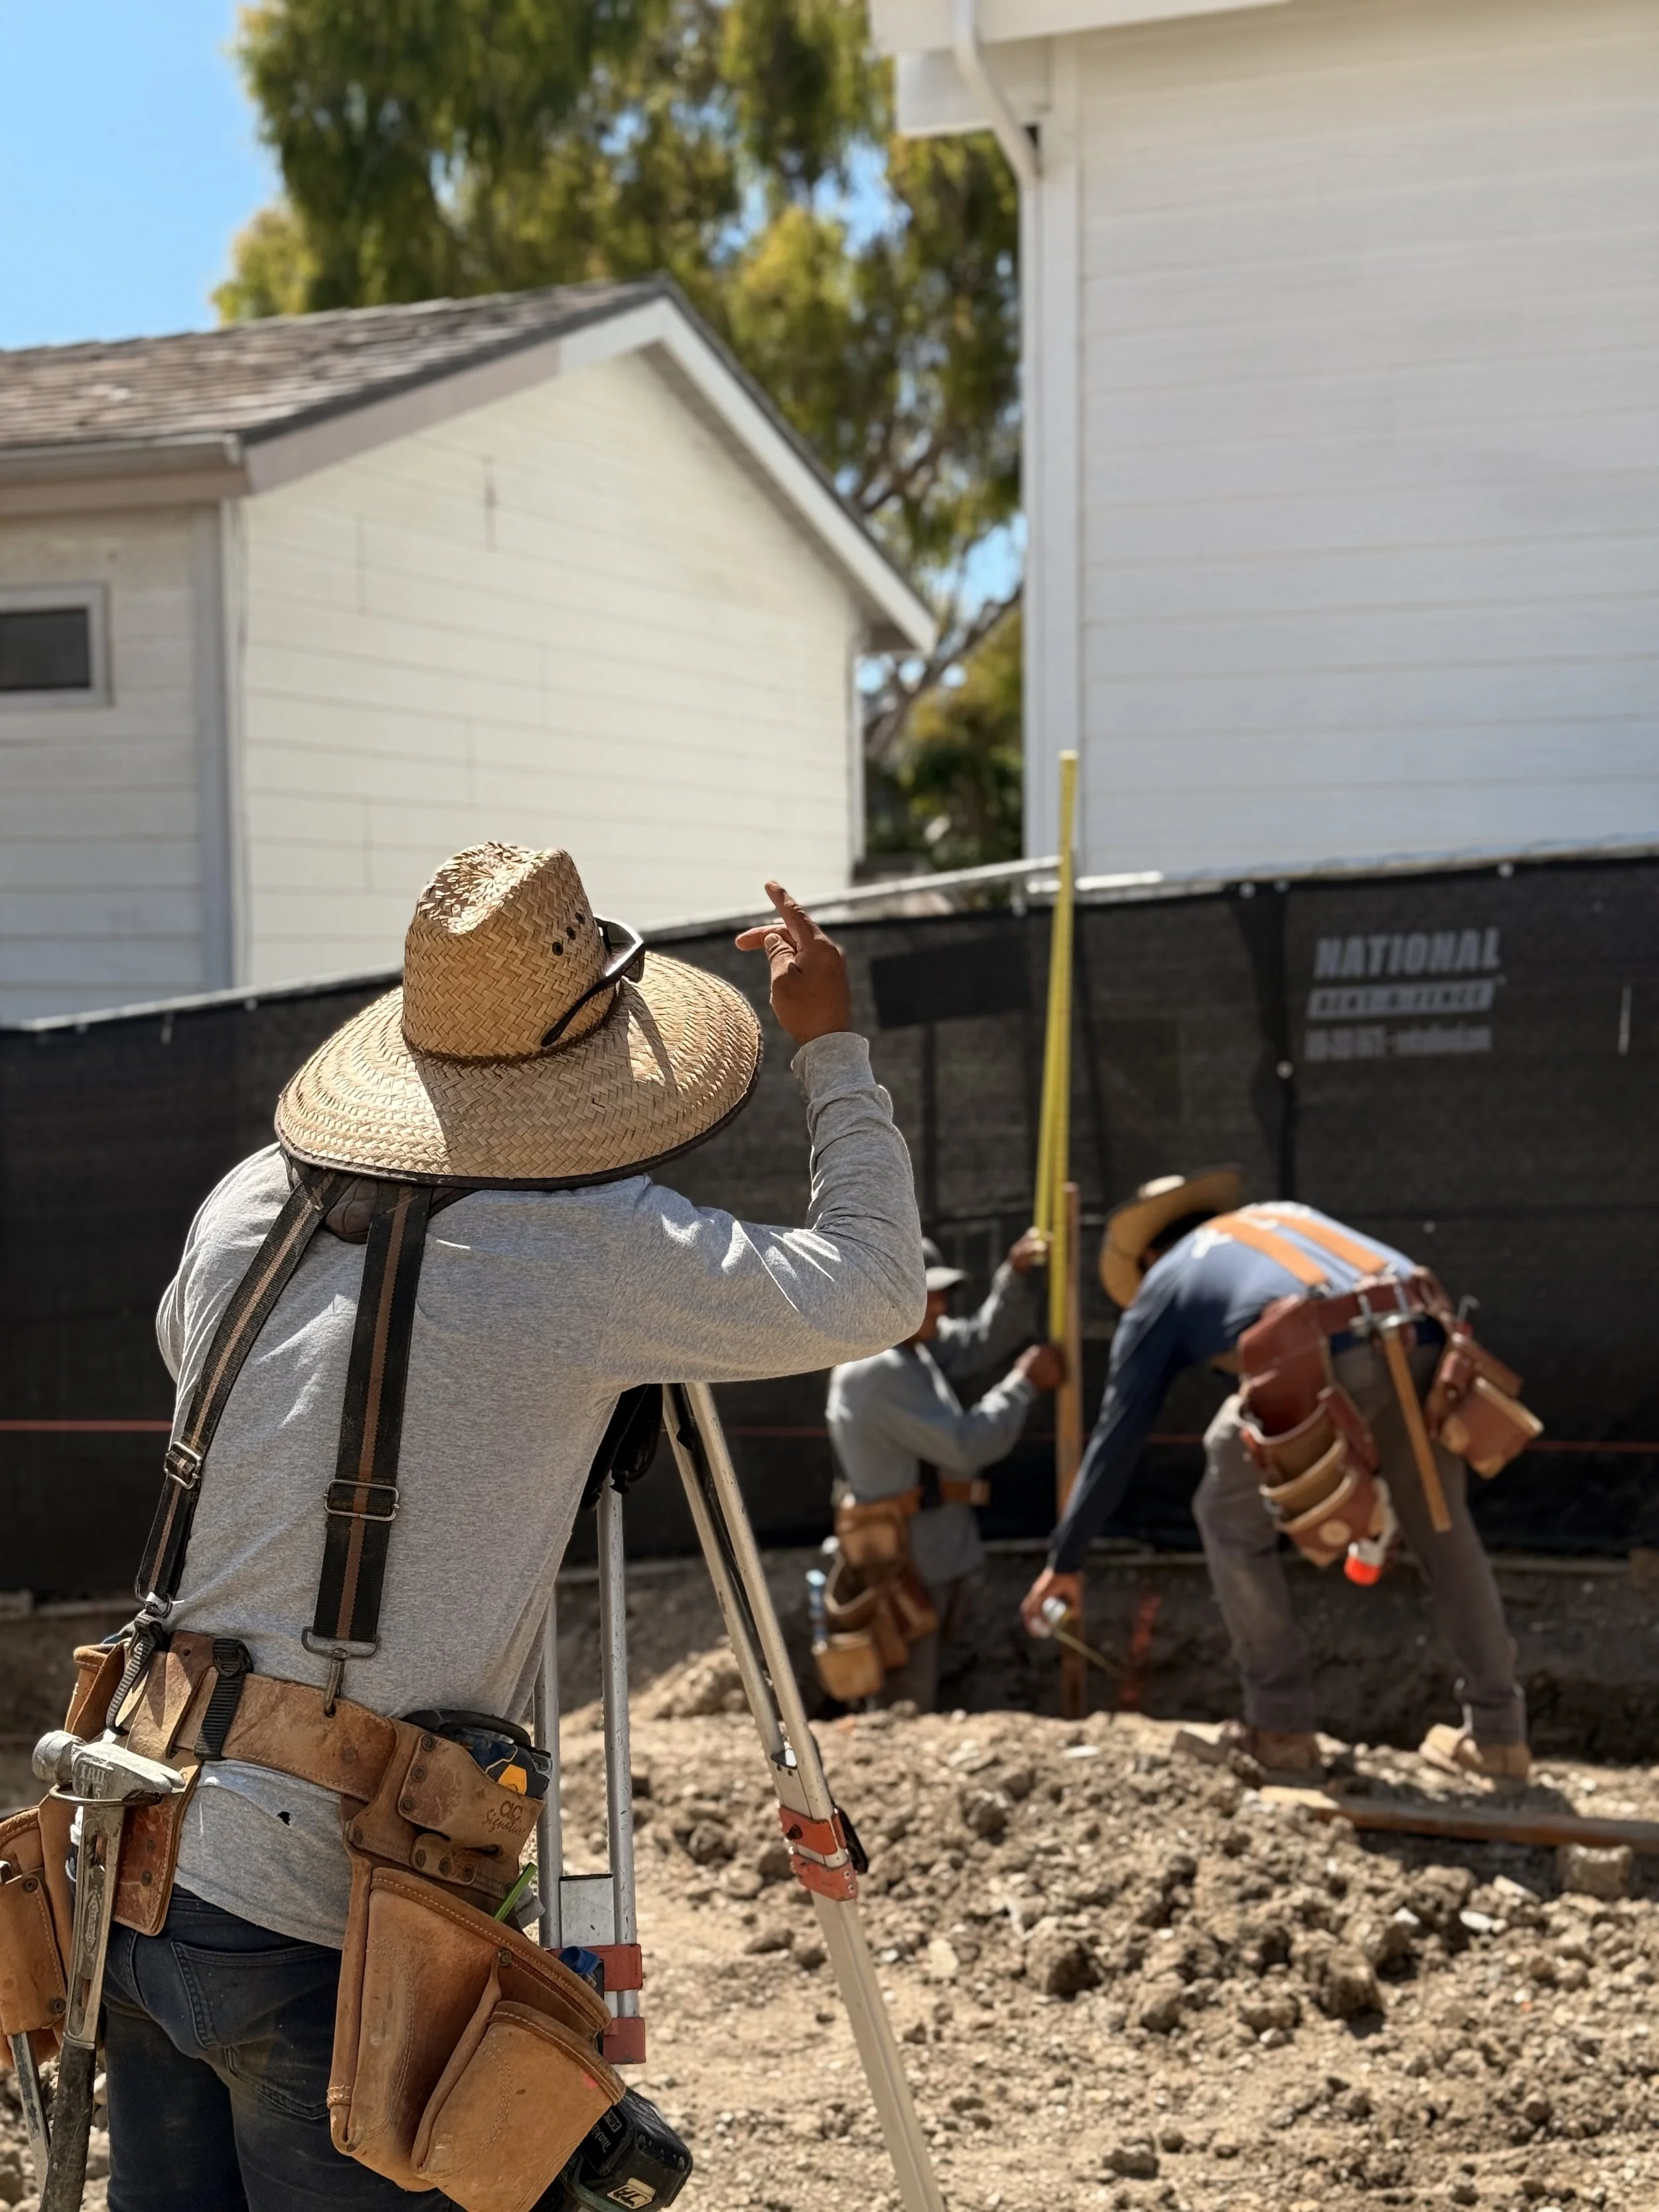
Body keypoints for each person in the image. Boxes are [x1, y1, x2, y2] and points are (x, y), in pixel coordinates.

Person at [95, 844, 925, 2211]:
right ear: (594, 1061)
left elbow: (191, 1358)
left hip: (142, 1849)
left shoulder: (254, 1196)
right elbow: (877, 1282)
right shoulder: (593, 1246)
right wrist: (829, 1048)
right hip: (331, 1923)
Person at [1020, 1169, 1529, 1784]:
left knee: (1224, 1511)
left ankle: (1281, 1725)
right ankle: (1500, 1737)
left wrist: (1066, 1559)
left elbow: (1117, 1436)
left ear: (1149, 1253)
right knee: (1442, 1525)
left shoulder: (1163, 1282)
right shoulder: (1280, 1216)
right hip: (1425, 1335)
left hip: (1320, 1347)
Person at [827, 1230, 1064, 1710]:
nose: (941, 1306)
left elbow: (979, 1339)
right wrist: (1022, 1386)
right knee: (904, 1702)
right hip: (907, 1562)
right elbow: (967, 1446)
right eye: (928, 1294)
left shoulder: (911, 1346)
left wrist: (1015, 1278)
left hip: (928, 1552)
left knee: (931, 1681)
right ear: (891, 1296)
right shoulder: (879, 1369)